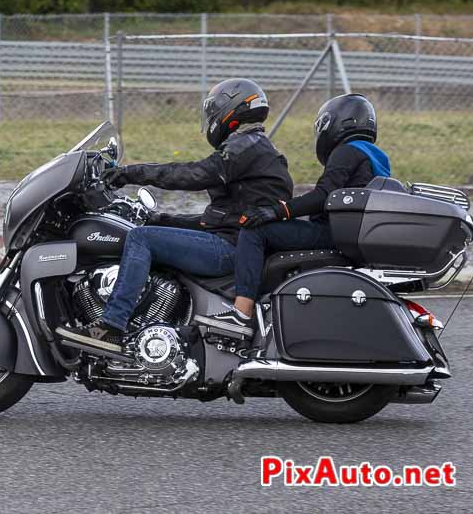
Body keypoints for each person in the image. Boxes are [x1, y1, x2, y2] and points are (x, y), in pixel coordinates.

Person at [55, 78, 294, 348]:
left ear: (229, 110)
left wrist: (130, 174)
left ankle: (112, 324)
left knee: (141, 238)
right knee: (151, 232)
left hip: (232, 249)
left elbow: (192, 175)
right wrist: (164, 220)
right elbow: (219, 221)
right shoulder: (257, 147)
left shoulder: (244, 147)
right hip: (236, 243)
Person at [227, 93, 391, 333]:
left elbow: (323, 196)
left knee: (255, 230)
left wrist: (277, 211)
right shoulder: (376, 156)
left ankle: (242, 312)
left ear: (338, 122)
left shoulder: (347, 151)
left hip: (332, 233)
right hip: (353, 234)